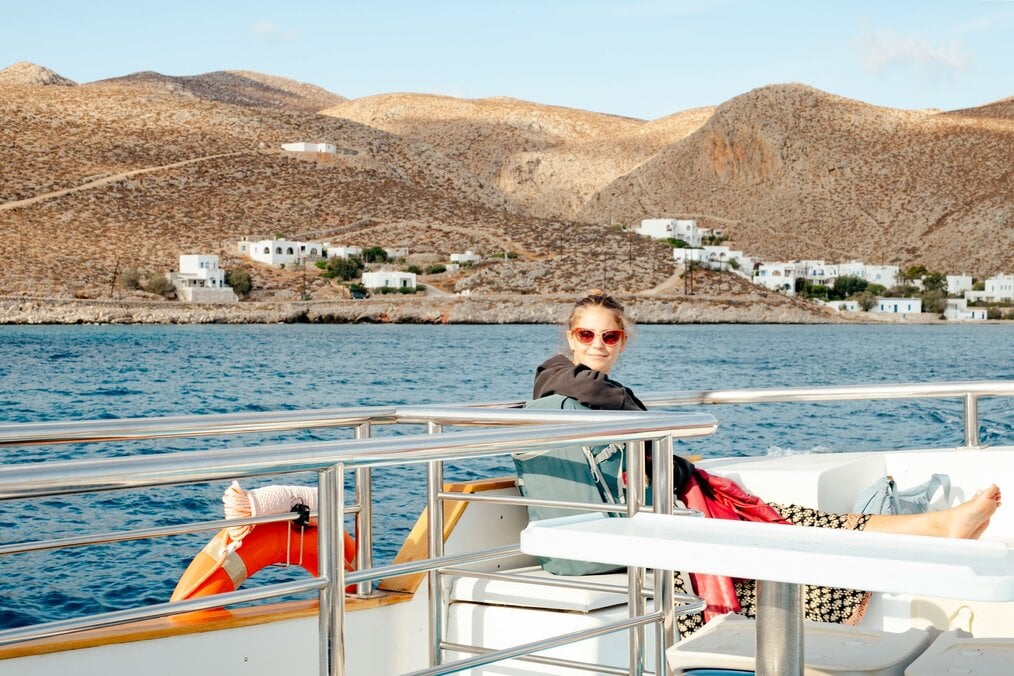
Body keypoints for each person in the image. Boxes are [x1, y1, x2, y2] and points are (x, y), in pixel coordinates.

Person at [532, 290, 1003, 635]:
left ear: (623, 341)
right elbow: (586, 393)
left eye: (609, 335)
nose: (598, 343)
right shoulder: (568, 384)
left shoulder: (595, 392)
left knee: (797, 521)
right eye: (586, 334)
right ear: (570, 338)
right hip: (648, 528)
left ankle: (938, 528)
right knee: (791, 534)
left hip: (673, 504)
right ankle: (936, 531)